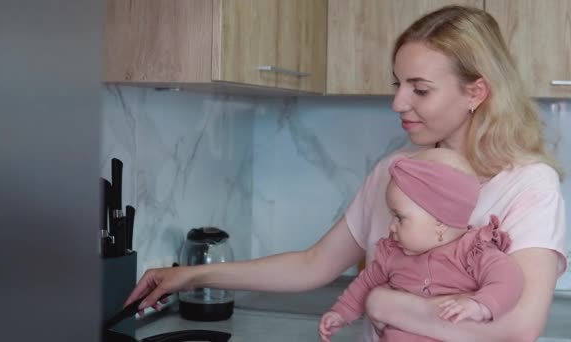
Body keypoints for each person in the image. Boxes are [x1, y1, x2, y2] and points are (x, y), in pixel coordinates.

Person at [125, 5, 567, 341]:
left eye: (421, 89)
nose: (398, 103)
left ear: (476, 92)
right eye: (398, 84)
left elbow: (517, 327)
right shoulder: (393, 172)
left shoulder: (528, 185)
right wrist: (189, 276)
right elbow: (313, 265)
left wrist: (383, 303)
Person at [318, 148, 524, 342]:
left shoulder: (473, 251)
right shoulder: (392, 255)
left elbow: (508, 280)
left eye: (400, 217)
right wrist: (341, 313)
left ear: (440, 223)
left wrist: (480, 306)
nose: (391, 227)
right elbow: (364, 285)